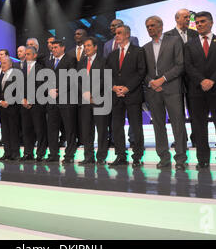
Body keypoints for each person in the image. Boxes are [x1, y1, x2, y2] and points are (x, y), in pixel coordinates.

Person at [184, 11, 216, 170]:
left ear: (211, 23)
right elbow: (188, 66)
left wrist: (212, 80)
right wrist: (202, 80)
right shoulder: (189, 44)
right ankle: (202, 159)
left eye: (202, 21)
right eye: (197, 22)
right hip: (197, 91)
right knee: (199, 126)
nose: (199, 24)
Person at [143, 16, 188, 170]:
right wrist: (151, 82)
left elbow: (180, 65)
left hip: (172, 88)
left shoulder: (174, 41)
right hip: (153, 91)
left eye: (152, 25)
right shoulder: (145, 47)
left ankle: (181, 159)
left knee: (178, 124)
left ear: (161, 26)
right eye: (147, 26)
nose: (149, 28)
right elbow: (143, 71)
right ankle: (164, 157)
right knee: (158, 126)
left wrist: (162, 79)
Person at [106, 25, 146, 167]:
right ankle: (121, 156)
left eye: (119, 33)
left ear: (127, 34)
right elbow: (108, 74)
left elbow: (141, 72)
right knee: (117, 127)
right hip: (116, 96)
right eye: (115, 34)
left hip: (133, 95)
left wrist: (128, 88)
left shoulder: (138, 51)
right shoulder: (112, 55)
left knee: (136, 127)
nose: (116, 36)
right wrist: (114, 87)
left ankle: (138, 156)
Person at [165, 8, 199, 148]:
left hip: (193, 79)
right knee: (177, 112)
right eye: (185, 17)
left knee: (195, 111)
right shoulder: (167, 35)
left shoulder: (195, 34)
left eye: (189, 17)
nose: (188, 19)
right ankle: (181, 139)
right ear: (177, 19)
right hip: (175, 79)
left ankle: (197, 139)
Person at [77, 37, 109, 165]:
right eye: (85, 46)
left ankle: (101, 157)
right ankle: (88, 157)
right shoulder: (81, 62)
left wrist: (93, 93)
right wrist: (85, 94)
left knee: (101, 129)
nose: (86, 48)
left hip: (99, 99)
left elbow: (105, 79)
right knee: (86, 130)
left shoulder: (103, 61)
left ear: (95, 47)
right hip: (85, 101)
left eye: (89, 45)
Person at [46, 40, 78, 164]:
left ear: (63, 48)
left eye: (55, 47)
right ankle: (53, 154)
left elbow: (73, 78)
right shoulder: (49, 62)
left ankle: (69, 155)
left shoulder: (70, 59)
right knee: (52, 128)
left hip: (67, 99)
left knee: (69, 128)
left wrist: (59, 91)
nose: (53, 49)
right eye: (52, 48)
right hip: (52, 100)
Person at [20, 46, 48, 161]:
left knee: (39, 129)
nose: (26, 56)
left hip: (37, 104)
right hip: (24, 105)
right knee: (26, 130)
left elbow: (41, 87)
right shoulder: (22, 69)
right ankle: (28, 153)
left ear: (35, 55)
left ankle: (40, 153)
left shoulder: (41, 69)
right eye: (25, 54)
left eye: (28, 54)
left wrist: (30, 99)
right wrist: (23, 99)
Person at [0, 57, 21, 161]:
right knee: (5, 131)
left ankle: (15, 153)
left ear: (11, 64)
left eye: (5, 63)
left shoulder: (16, 74)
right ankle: (7, 153)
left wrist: (9, 101)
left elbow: (19, 90)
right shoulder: (0, 76)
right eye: (1, 63)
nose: (3, 65)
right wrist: (0, 102)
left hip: (13, 108)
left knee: (13, 131)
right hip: (2, 108)